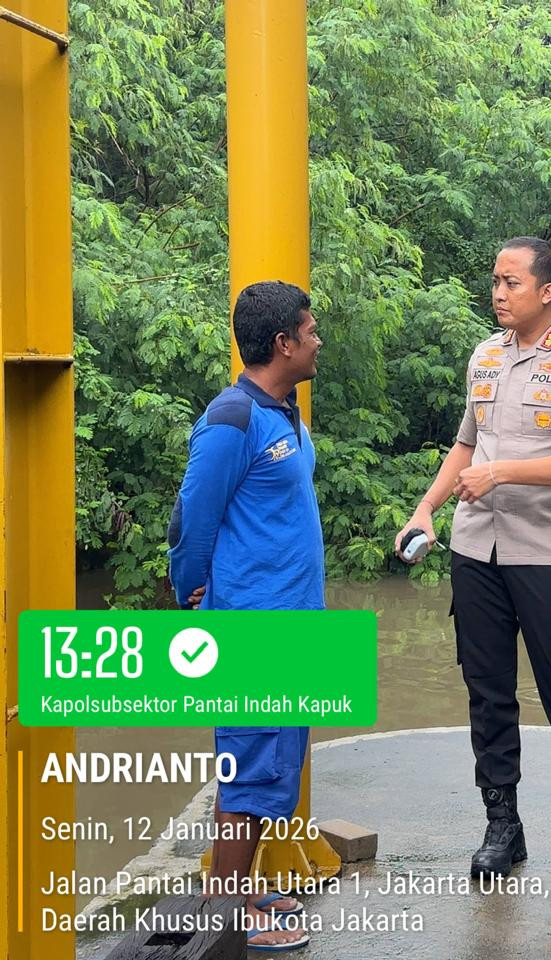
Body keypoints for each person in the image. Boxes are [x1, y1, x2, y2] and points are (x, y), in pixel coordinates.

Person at [397, 236, 551, 876]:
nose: (498, 293)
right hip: (476, 551)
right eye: (495, 281)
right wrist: (426, 508)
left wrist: (504, 474)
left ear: (547, 291)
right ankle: (502, 824)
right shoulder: (485, 356)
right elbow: (466, 445)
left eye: (511, 283)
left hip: (546, 555)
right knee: (487, 690)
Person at [168, 280, 323, 952]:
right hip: (254, 627)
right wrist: (191, 593)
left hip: (294, 626)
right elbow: (190, 520)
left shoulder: (284, 412)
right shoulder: (231, 419)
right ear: (283, 343)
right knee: (249, 769)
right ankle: (227, 913)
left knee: (272, 767)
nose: (318, 340)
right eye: (309, 331)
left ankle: (243, 890)